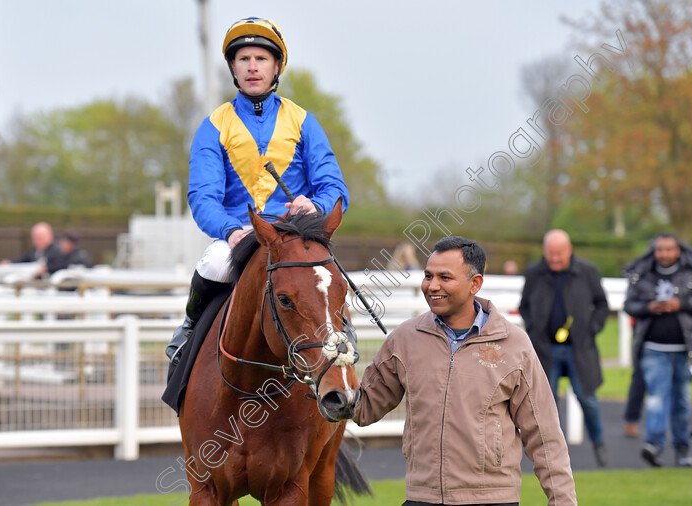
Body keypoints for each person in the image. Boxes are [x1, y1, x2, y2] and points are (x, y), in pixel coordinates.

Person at [165, 17, 350, 365]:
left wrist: (314, 205)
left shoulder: (304, 122)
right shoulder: (214, 126)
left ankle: (342, 341)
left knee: (325, 275)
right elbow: (202, 197)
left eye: (261, 59)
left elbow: (335, 188)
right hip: (241, 235)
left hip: (295, 235)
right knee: (215, 262)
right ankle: (189, 332)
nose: (252, 67)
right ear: (232, 68)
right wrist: (231, 231)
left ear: (276, 66)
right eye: (244, 59)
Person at [354, 236, 577, 506]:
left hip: (492, 499)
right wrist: (325, 368)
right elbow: (362, 409)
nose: (432, 286)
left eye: (445, 277)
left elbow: (545, 436)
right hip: (422, 497)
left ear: (475, 284)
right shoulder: (404, 338)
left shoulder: (514, 345)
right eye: (428, 276)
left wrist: (563, 501)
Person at [622, 233, 692, 467]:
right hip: (653, 349)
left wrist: (681, 304)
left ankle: (682, 448)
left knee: (682, 401)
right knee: (656, 398)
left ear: (678, 251)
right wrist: (648, 307)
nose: (663, 254)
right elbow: (629, 304)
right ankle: (654, 446)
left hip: (685, 350)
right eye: (659, 249)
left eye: (668, 249)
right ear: (654, 251)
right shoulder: (643, 273)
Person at [518, 229, 610, 467]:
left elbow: (602, 305)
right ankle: (551, 454)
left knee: (586, 398)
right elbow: (525, 305)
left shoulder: (587, 271)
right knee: (547, 403)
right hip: (546, 350)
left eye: (559, 254)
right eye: (550, 254)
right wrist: (534, 329)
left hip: (579, 349)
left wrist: (591, 329)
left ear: (569, 250)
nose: (555, 259)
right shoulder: (534, 271)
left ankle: (599, 443)